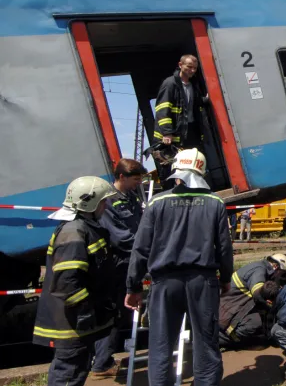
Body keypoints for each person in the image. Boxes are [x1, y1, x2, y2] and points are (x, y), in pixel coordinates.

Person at [125, 148, 234, 386]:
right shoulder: (215, 202)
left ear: (176, 173)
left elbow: (141, 248)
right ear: (202, 173)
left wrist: (133, 287)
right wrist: (226, 278)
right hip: (202, 282)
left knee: (161, 344)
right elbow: (224, 248)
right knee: (206, 343)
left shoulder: (157, 202)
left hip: (164, 283)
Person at [33, 176, 118, 386]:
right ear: (90, 203)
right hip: (71, 323)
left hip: (75, 321)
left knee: (75, 371)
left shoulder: (83, 227)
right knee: (68, 374)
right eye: (103, 201)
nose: (105, 205)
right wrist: (84, 311)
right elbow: (67, 282)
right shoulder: (74, 231)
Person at [91, 159, 147, 378]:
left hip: (131, 262)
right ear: (121, 177)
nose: (138, 183)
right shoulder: (108, 203)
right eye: (135, 179)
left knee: (121, 312)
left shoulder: (131, 197)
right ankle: (101, 364)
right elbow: (120, 238)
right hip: (117, 265)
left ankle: (103, 360)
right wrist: (147, 248)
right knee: (113, 312)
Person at [153, 55, 209, 189]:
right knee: (176, 165)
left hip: (190, 130)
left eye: (195, 68)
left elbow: (195, 104)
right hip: (174, 134)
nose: (192, 70)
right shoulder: (170, 83)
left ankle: (194, 188)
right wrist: (167, 132)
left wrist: (208, 97)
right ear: (180, 65)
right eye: (189, 67)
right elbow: (162, 108)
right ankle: (177, 191)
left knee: (192, 162)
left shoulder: (193, 84)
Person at [219, 254, 286, 348]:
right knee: (255, 322)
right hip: (228, 311)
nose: (281, 278)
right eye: (282, 274)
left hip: (234, 305)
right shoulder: (259, 269)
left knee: (260, 316)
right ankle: (225, 340)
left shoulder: (261, 267)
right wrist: (271, 306)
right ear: (276, 266)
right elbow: (258, 294)